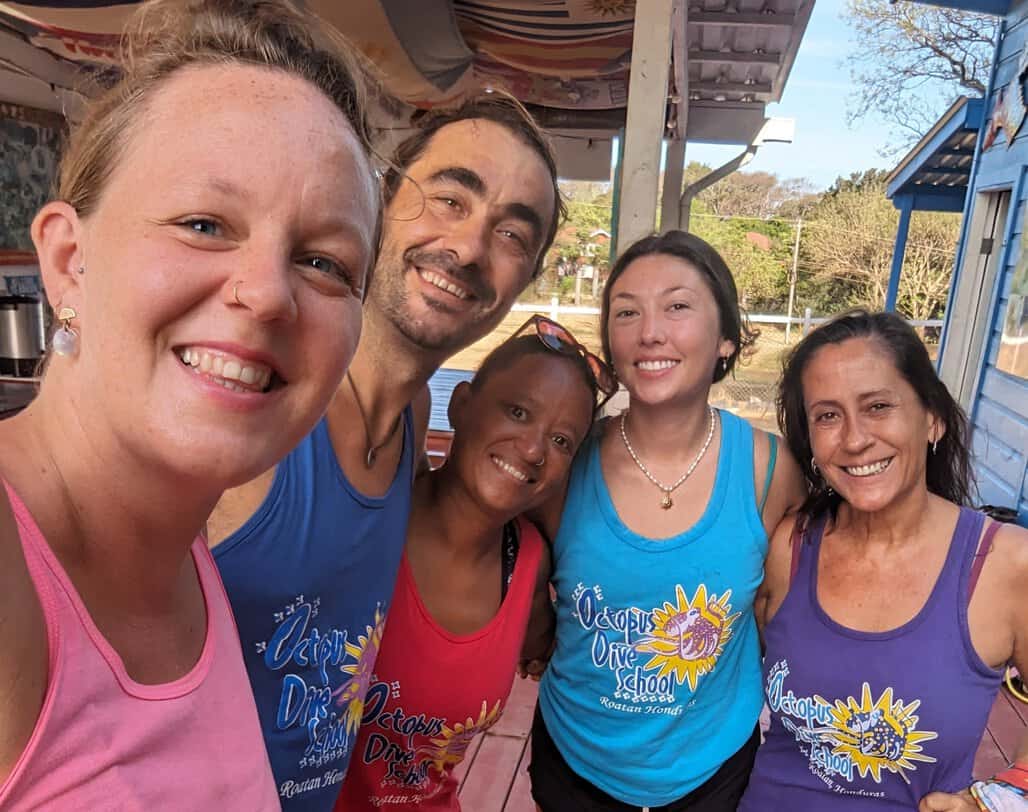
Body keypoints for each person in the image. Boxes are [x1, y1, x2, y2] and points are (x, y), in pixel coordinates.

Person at [0, 0, 381, 808]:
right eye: (205, 223)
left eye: (324, 262)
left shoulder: (187, 556)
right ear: (68, 262)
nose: (269, 292)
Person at [206, 92, 564, 810]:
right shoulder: (251, 392)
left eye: (513, 235)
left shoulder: (411, 424)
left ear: (523, 281)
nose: (467, 248)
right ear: (381, 195)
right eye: (449, 198)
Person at [531, 230, 806, 811]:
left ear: (728, 338)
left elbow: (786, 617)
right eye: (626, 311)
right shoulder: (568, 459)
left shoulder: (769, 471)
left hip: (711, 775)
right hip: (574, 767)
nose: (649, 331)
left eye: (678, 306)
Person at [738, 310, 1028, 812]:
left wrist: (1000, 797)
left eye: (877, 406)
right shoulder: (789, 549)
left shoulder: (1005, 564)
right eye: (828, 415)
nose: (854, 439)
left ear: (932, 417)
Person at [336, 317, 612, 811]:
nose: (532, 450)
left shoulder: (528, 567)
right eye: (518, 411)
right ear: (460, 404)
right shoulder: (370, 516)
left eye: (562, 441)